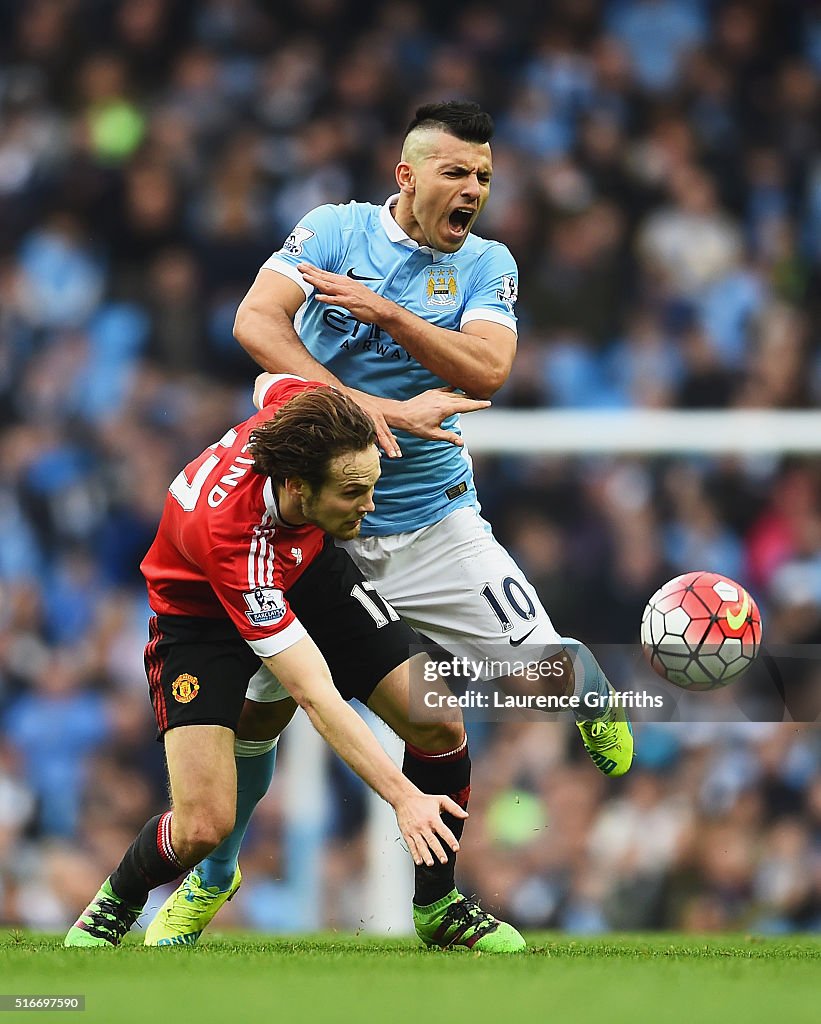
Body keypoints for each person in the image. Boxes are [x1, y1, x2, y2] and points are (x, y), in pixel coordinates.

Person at [150, 100, 633, 950]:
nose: (474, 189)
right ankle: (216, 877)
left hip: (431, 525)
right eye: (456, 172)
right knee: (257, 724)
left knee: (536, 684)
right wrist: (368, 407)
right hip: (310, 533)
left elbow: (489, 366)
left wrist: (389, 318)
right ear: (408, 176)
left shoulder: (488, 264)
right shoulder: (333, 232)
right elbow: (252, 324)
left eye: (483, 175)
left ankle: (584, 689)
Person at [66, 372, 521, 948]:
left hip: (306, 572)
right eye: (353, 494)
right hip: (199, 621)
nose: (369, 506)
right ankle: (123, 902)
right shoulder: (236, 539)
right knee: (203, 825)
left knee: (435, 715)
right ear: (298, 488)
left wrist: (398, 413)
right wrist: (403, 797)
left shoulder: (305, 411)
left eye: (371, 487)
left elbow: (265, 380)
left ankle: (439, 908)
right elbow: (317, 695)